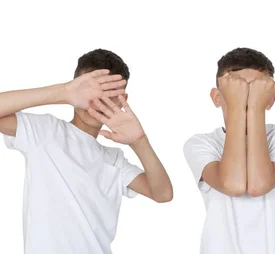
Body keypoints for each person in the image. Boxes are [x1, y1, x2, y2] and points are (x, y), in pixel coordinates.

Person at [0, 49, 173, 254]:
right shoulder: (45, 132)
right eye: (90, 92)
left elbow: (163, 193)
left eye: (108, 96)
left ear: (122, 99)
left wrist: (140, 142)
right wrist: (64, 92)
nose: (96, 103)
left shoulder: (114, 160)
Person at [183, 47, 275, 254]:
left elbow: (258, 185)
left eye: (255, 91)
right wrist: (241, 106)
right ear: (217, 97)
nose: (246, 98)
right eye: (238, 90)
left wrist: (254, 107)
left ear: (270, 99)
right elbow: (234, 184)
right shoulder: (201, 144)